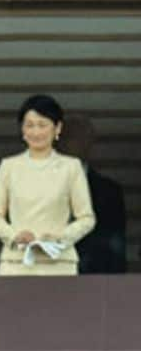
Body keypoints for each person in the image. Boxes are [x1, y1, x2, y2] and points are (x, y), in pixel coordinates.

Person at [0, 94, 96, 276]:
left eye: (42, 125)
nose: (36, 132)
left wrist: (60, 238)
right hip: (16, 263)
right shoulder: (8, 167)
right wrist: (14, 236)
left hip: (59, 263)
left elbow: (86, 218)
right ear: (22, 129)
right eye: (29, 125)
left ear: (57, 128)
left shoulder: (71, 167)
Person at [57, 115, 127, 275]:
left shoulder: (110, 192)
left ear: (90, 143)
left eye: (80, 137)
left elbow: (117, 250)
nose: (72, 143)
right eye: (67, 137)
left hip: (96, 283)